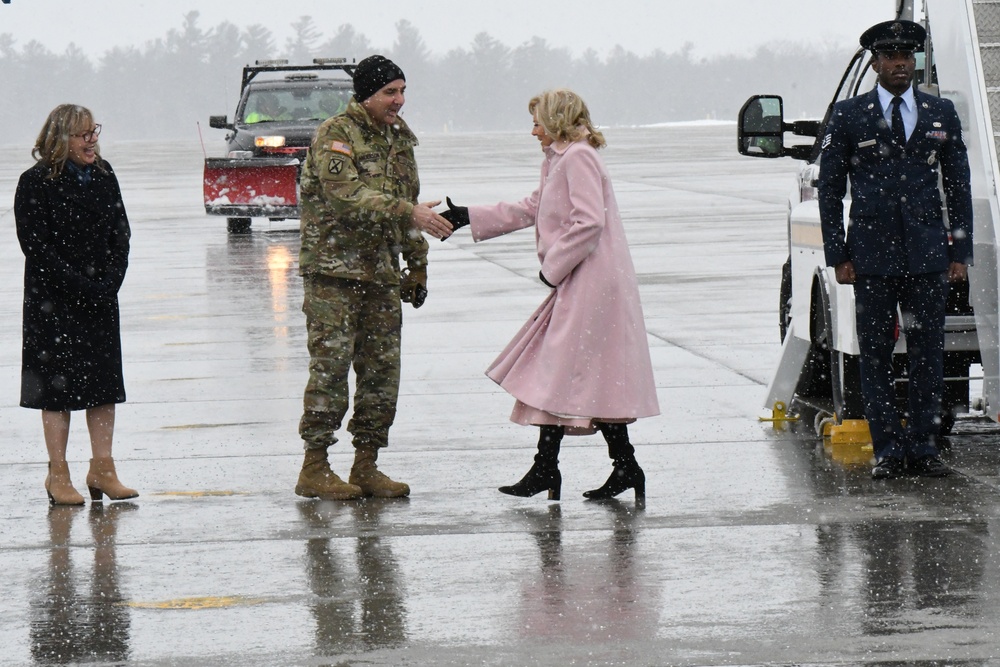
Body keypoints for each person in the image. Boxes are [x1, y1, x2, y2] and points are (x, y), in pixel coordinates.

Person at [441, 88, 660, 503]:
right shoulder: (563, 158)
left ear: (557, 120)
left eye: (538, 121)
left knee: (559, 368)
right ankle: (620, 465)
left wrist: (551, 268)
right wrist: (467, 215)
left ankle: (550, 468)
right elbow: (533, 207)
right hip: (587, 278)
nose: (533, 131)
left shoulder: (577, 157)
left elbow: (589, 222)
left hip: (590, 279)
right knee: (582, 372)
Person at [818, 20, 973, 479]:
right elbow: (830, 190)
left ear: (916, 61)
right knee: (875, 354)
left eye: (907, 56)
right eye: (890, 56)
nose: (900, 63)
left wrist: (959, 253)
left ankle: (924, 448)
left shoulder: (941, 111)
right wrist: (838, 255)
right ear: (876, 62)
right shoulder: (849, 115)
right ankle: (887, 449)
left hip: (927, 255)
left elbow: (958, 185)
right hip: (871, 256)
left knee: (928, 352)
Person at [293, 55, 453, 501]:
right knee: (330, 369)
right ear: (366, 94)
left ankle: (366, 463)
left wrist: (416, 263)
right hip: (333, 273)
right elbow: (347, 196)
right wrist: (409, 213)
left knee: (382, 372)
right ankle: (315, 465)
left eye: (402, 91)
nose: (399, 101)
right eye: (390, 92)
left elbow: (409, 204)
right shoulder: (336, 135)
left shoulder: (399, 139)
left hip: (380, 273)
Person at [14, 104, 137, 505]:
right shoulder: (33, 183)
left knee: (102, 387)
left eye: (94, 131)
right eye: (83, 134)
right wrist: (80, 285)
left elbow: (122, 235)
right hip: (54, 302)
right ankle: (58, 474)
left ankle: (103, 469)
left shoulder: (104, 175)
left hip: (100, 299)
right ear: (58, 140)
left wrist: (109, 283)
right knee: (56, 391)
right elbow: (37, 249)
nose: (92, 140)